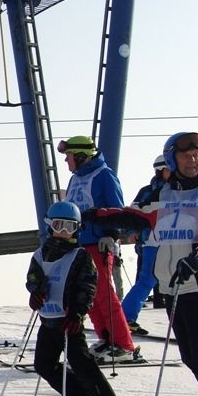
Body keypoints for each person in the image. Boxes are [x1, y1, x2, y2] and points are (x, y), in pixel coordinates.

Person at [85, 132, 198, 396]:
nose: (192, 160)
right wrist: (91, 216)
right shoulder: (162, 195)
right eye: (185, 156)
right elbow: (132, 215)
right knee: (190, 355)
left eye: (196, 155)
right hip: (172, 286)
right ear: (173, 159)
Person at [27, 202, 137, 396]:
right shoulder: (39, 255)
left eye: (70, 227)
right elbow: (33, 279)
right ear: (49, 225)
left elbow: (87, 287)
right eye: (59, 225)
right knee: (44, 365)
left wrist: (78, 312)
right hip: (48, 321)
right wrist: (35, 293)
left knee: (83, 366)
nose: (64, 231)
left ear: (77, 229)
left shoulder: (80, 256)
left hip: (69, 323)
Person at [58, 136, 138, 361]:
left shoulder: (104, 175)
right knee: (87, 295)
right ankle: (106, 338)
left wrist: (111, 234)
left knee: (104, 294)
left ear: (81, 156)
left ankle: (123, 344)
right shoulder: (75, 179)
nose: (66, 160)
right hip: (78, 244)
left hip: (98, 243)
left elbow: (116, 209)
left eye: (69, 156)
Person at [121, 155, 170, 335]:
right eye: (169, 169)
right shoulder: (148, 192)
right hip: (153, 240)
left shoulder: (181, 189)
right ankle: (125, 317)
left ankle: (196, 320)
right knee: (148, 279)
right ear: (160, 171)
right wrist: (132, 232)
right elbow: (132, 214)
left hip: (176, 241)